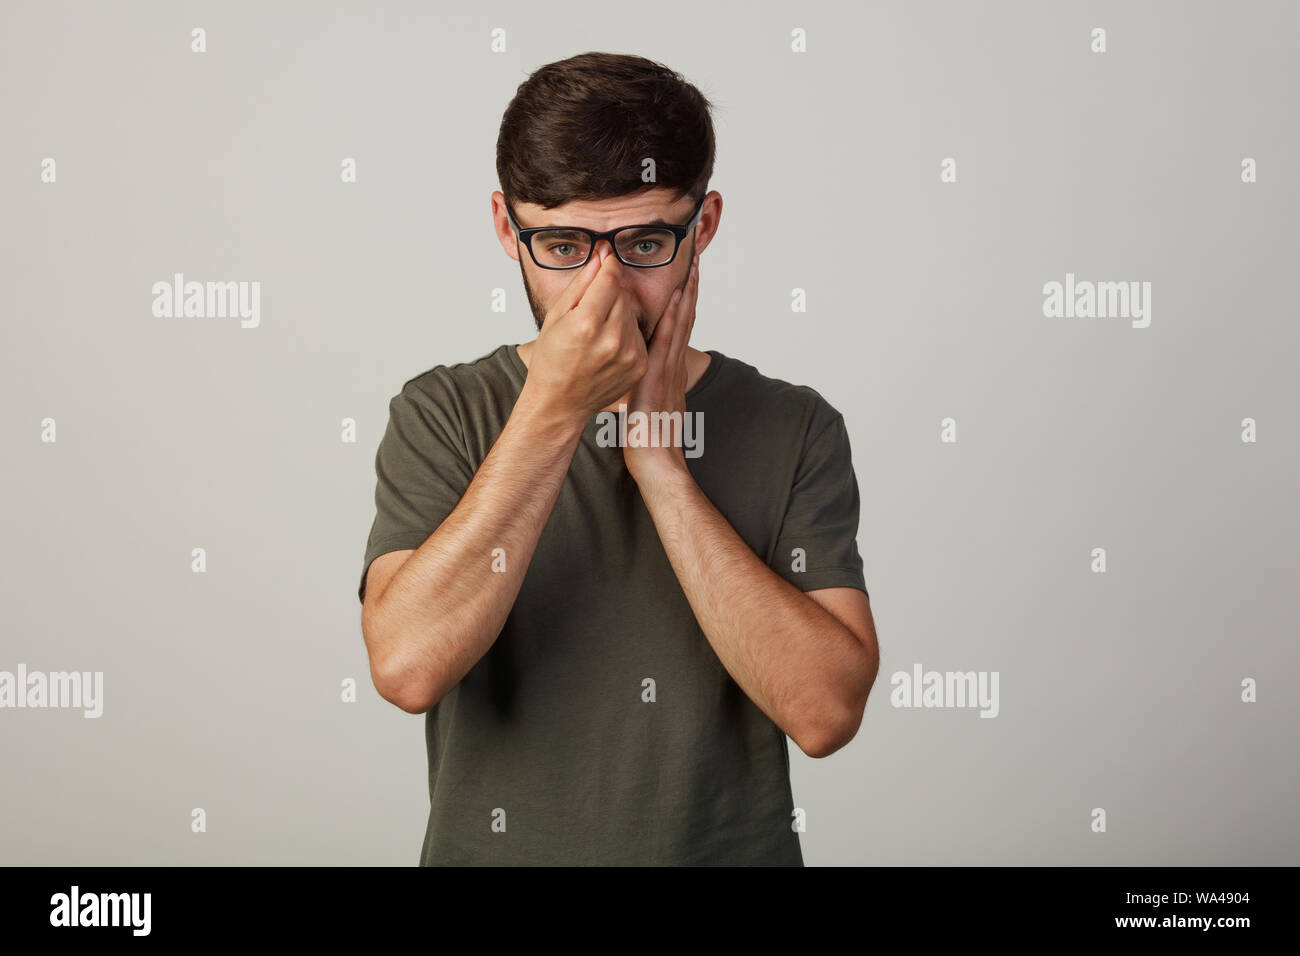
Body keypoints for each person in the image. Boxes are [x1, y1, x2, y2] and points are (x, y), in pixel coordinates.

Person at [357, 51, 879, 866]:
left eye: (642, 243)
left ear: (701, 227)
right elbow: (407, 668)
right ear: (507, 228)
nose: (601, 292)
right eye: (562, 246)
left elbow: (824, 714)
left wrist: (662, 469)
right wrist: (553, 411)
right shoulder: (443, 413)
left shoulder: (794, 426)